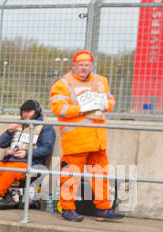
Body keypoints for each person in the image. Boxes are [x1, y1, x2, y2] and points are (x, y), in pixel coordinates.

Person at [49, 49, 122, 221]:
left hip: (98, 140)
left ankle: (103, 208)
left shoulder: (101, 81)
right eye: (80, 65)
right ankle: (67, 209)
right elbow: (59, 109)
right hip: (76, 140)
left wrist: (102, 104)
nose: (83, 68)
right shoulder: (63, 84)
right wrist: (85, 108)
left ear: (91, 65)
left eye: (87, 65)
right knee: (70, 176)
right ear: (73, 66)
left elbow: (110, 101)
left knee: (101, 175)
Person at [0, 99, 55, 210]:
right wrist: (9, 132)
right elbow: (1, 143)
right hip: (9, 160)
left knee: (9, 173)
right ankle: (8, 198)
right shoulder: (18, 125)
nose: (25, 114)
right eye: (23, 111)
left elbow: (47, 149)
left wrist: (26, 153)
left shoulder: (45, 127)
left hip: (29, 162)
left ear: (36, 111)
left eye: (29, 111)